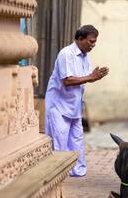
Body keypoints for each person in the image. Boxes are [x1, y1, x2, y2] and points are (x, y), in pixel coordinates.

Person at [45, 25, 109, 177]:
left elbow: (85, 77)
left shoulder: (85, 56)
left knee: (77, 140)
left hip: (74, 106)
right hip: (58, 106)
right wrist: (90, 77)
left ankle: (78, 171)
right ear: (80, 39)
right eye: (91, 41)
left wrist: (94, 76)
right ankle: (61, 174)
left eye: (95, 42)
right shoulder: (66, 54)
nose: (93, 45)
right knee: (60, 142)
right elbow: (67, 80)